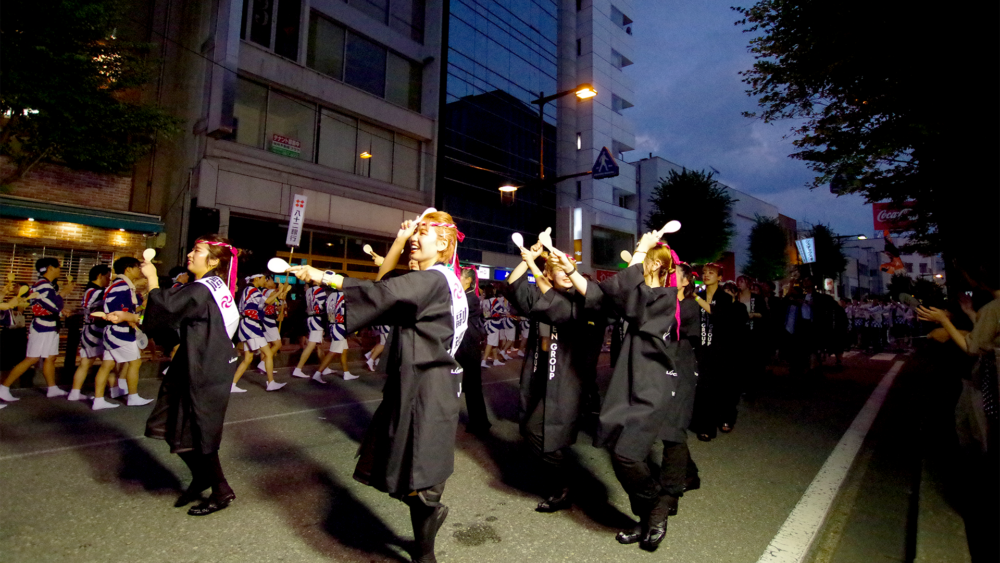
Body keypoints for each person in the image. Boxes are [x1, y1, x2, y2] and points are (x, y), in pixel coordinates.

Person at [287, 211, 467, 563]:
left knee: (421, 474)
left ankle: (425, 552)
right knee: (395, 466)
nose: (416, 237)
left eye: (423, 233)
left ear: (444, 243)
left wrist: (324, 276)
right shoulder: (440, 281)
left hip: (425, 391)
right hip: (418, 385)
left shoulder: (432, 280)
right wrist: (400, 241)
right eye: (415, 233)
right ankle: (427, 531)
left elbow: (380, 291)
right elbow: (384, 288)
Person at [585, 235, 702, 552]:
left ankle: (660, 508)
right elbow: (612, 295)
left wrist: (639, 260)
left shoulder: (676, 302)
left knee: (669, 438)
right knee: (624, 451)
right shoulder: (646, 294)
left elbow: (639, 309)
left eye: (675, 269)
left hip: (669, 376)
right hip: (638, 376)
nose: (673, 274)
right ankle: (650, 511)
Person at [143, 234, 242, 516]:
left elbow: (166, 307)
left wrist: (151, 278)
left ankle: (220, 489)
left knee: (199, 428)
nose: (189, 255)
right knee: (173, 422)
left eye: (197, 251)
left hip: (204, 367)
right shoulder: (214, 286)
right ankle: (202, 478)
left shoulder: (202, 289)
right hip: (198, 362)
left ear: (212, 261)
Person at [506, 235, 603, 513]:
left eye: (568, 268)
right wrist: (528, 261)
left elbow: (558, 310)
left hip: (566, 378)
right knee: (531, 429)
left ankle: (563, 486)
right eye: (558, 268)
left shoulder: (581, 301)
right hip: (538, 373)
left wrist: (537, 267)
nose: (566, 273)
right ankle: (560, 477)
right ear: (549, 274)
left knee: (545, 430)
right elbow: (513, 286)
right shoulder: (541, 294)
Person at [0, 257, 74, 402]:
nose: (60, 269)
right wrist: (64, 293)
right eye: (58, 267)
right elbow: (52, 305)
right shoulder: (43, 285)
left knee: (51, 357)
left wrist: (60, 311)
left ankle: (52, 388)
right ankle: (4, 388)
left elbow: (46, 306)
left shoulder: (46, 285)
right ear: (50, 268)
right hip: (42, 327)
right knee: (32, 358)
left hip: (50, 326)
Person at [90, 257, 153, 410]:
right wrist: (135, 318)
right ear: (128, 269)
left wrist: (138, 308)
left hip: (111, 331)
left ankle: (98, 400)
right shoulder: (122, 287)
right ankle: (133, 397)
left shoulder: (117, 285)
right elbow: (120, 312)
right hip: (120, 331)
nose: (139, 270)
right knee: (135, 362)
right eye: (137, 267)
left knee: (106, 365)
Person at [690, 262, 737, 440]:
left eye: (711, 272)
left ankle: (723, 418)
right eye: (705, 272)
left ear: (720, 277)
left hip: (719, 350)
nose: (707, 275)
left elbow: (717, 314)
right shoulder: (698, 296)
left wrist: (695, 298)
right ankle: (705, 425)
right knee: (701, 387)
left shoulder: (724, 298)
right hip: (700, 349)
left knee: (717, 388)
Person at [232, 273, 284, 392]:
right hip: (252, 326)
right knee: (268, 354)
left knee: (248, 358)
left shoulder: (248, 290)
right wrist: (278, 291)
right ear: (256, 278)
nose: (264, 281)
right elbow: (268, 302)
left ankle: (232, 384)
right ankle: (271, 383)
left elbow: (262, 306)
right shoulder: (253, 290)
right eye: (263, 279)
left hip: (246, 325)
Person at [68, 264, 112, 401]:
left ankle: (75, 393)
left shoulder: (91, 290)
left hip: (91, 330)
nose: (109, 280)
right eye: (107, 277)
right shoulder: (94, 291)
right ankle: (112, 391)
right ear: (100, 276)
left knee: (89, 363)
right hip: (94, 330)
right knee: (108, 362)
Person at [458, 267, 490, 434]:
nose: (457, 279)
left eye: (459, 277)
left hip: (469, 347)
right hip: (462, 347)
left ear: (469, 280)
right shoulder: (465, 297)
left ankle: (479, 422)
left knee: (473, 388)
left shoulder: (470, 298)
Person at [313, 280, 355, 381]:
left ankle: (346, 373)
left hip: (333, 324)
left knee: (344, 350)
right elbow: (347, 311)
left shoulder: (330, 296)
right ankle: (318, 373)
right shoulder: (343, 296)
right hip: (340, 326)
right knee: (333, 351)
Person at [291, 279, 328, 378]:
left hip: (310, 318)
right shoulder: (321, 291)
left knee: (319, 344)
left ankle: (325, 367)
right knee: (311, 345)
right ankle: (298, 369)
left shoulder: (308, 291)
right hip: (317, 319)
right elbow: (324, 307)